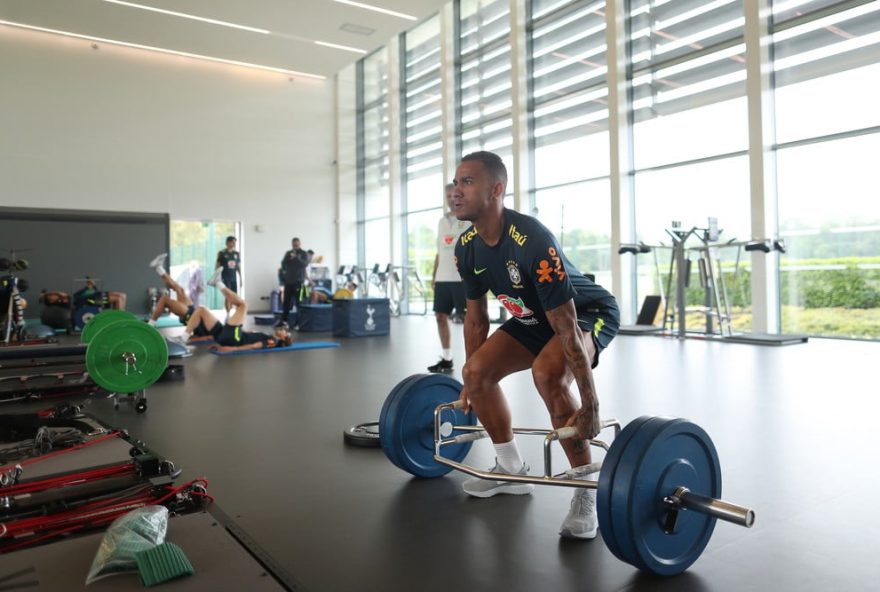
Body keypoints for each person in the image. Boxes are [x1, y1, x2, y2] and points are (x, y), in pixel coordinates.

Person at [451, 151, 620, 540]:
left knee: (548, 374)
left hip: (584, 314)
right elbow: (476, 319)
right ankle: (511, 471)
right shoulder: (467, 247)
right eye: (456, 183)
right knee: (476, 373)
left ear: (497, 189)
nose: (456, 191)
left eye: (467, 182)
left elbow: (565, 327)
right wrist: (468, 382)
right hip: (533, 316)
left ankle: (584, 490)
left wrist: (591, 405)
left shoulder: (532, 242)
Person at [176, 268, 293, 352]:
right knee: (201, 311)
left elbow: (255, 346)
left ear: (284, 338)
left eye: (285, 332)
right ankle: (183, 339)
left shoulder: (273, 341)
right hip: (226, 337)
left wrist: (232, 349)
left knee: (243, 305)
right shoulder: (269, 336)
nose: (283, 330)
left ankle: (218, 283)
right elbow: (253, 341)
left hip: (234, 339)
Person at [427, 183, 471, 373]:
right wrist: (434, 275)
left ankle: (474, 360)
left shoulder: (468, 220)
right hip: (443, 278)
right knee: (440, 317)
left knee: (470, 320)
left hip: (462, 279)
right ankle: (447, 358)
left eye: (455, 196)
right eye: (448, 197)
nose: (452, 199)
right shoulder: (441, 222)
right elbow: (439, 252)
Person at [146, 254, 219, 343]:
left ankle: (150, 325)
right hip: (193, 311)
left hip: (189, 316)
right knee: (180, 289)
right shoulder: (217, 328)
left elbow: (208, 338)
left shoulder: (214, 334)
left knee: (165, 300)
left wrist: (185, 339)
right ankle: (159, 268)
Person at [279, 238, 309, 324]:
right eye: (293, 245)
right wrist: (289, 259)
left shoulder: (303, 253)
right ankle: (284, 321)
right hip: (289, 281)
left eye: (296, 245)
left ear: (300, 244)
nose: (295, 247)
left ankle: (298, 322)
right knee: (286, 303)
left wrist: (297, 258)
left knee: (299, 303)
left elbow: (305, 264)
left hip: (298, 282)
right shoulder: (288, 253)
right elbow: (283, 264)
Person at [216, 236, 242, 318]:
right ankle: (228, 313)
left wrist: (240, 279)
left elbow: (238, 267)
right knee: (228, 295)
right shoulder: (222, 253)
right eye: (232, 242)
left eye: (235, 242)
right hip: (225, 277)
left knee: (234, 295)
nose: (233, 244)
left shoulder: (236, 254)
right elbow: (217, 266)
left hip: (233, 277)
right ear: (227, 242)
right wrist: (217, 277)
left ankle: (234, 311)